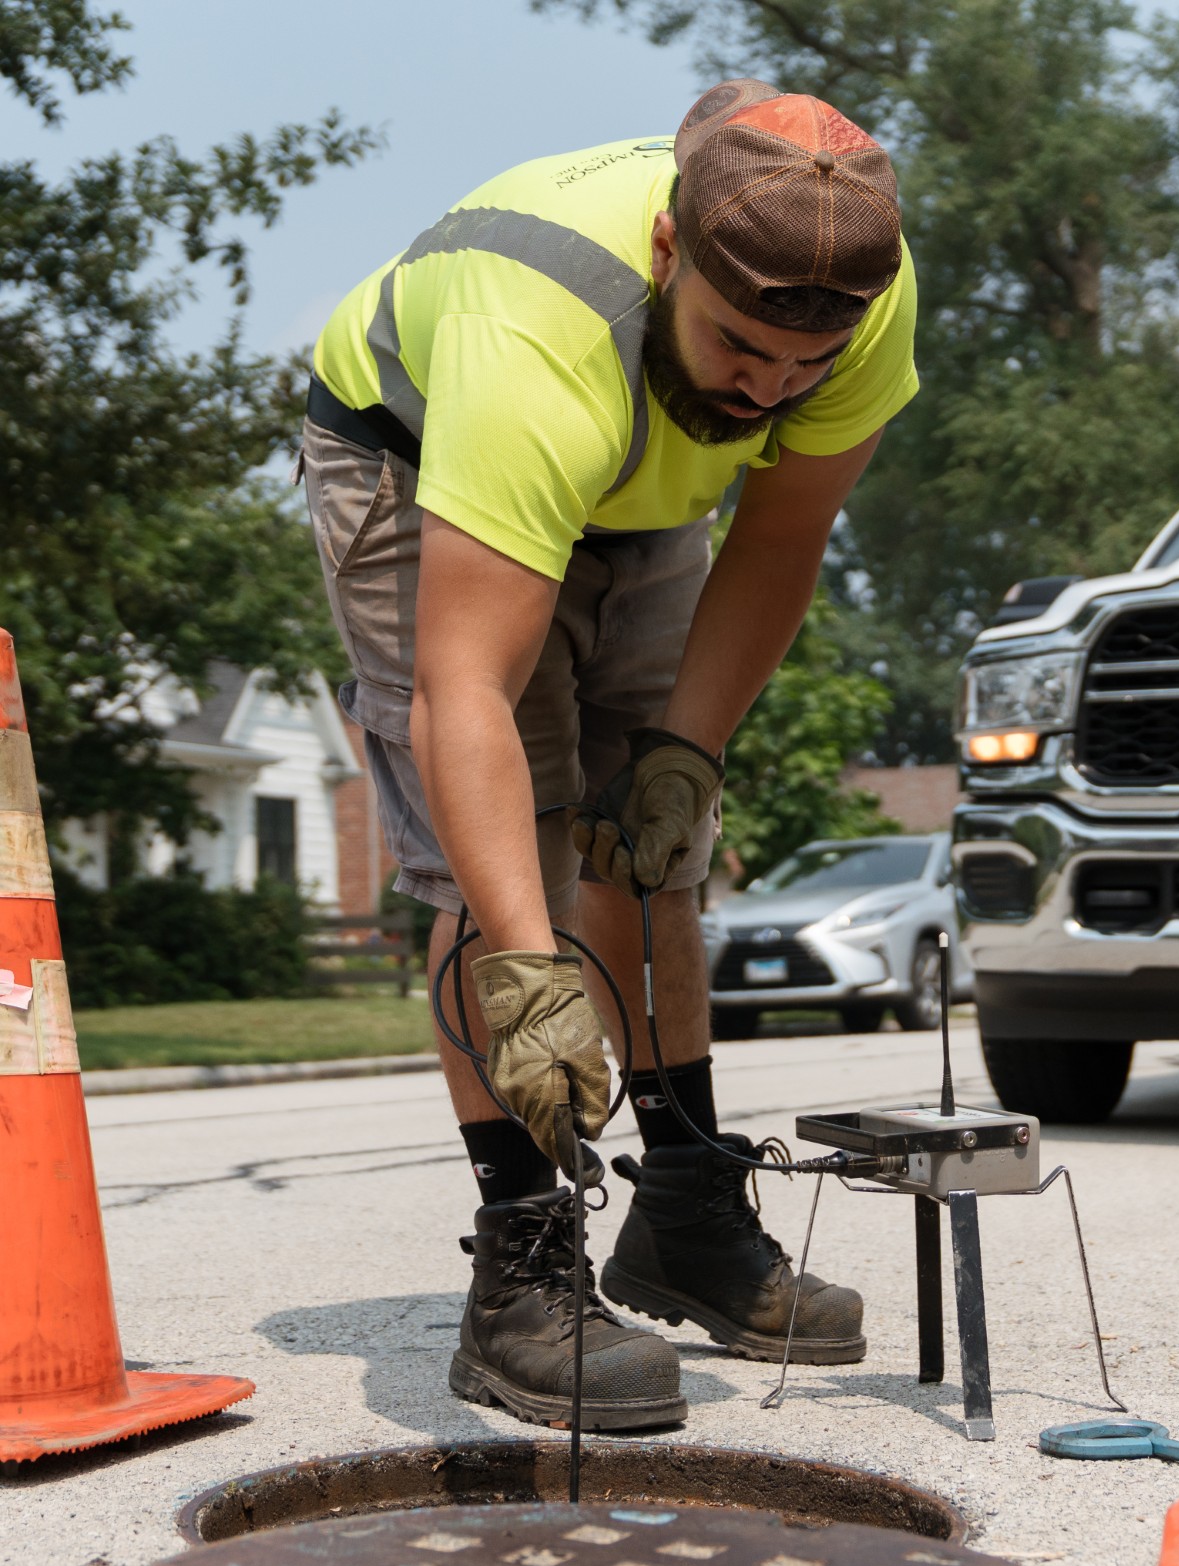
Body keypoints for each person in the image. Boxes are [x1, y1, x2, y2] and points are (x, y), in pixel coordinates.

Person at [301, 79, 918, 1431]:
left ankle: (684, 1210)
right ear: (667, 253)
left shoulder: (859, 289)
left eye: (804, 366)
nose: (770, 388)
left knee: (652, 844)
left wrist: (687, 752)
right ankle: (523, 1267)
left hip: (644, 487)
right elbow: (463, 688)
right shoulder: (542, 326)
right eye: (739, 345)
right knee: (508, 863)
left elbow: (780, 537)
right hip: (425, 462)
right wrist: (528, 976)